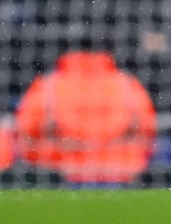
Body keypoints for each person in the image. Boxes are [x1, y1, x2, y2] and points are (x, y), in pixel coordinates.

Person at [13, 49, 157, 185]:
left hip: (60, 175)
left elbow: (25, 136)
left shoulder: (46, 86)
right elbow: (148, 133)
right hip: (122, 173)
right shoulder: (128, 84)